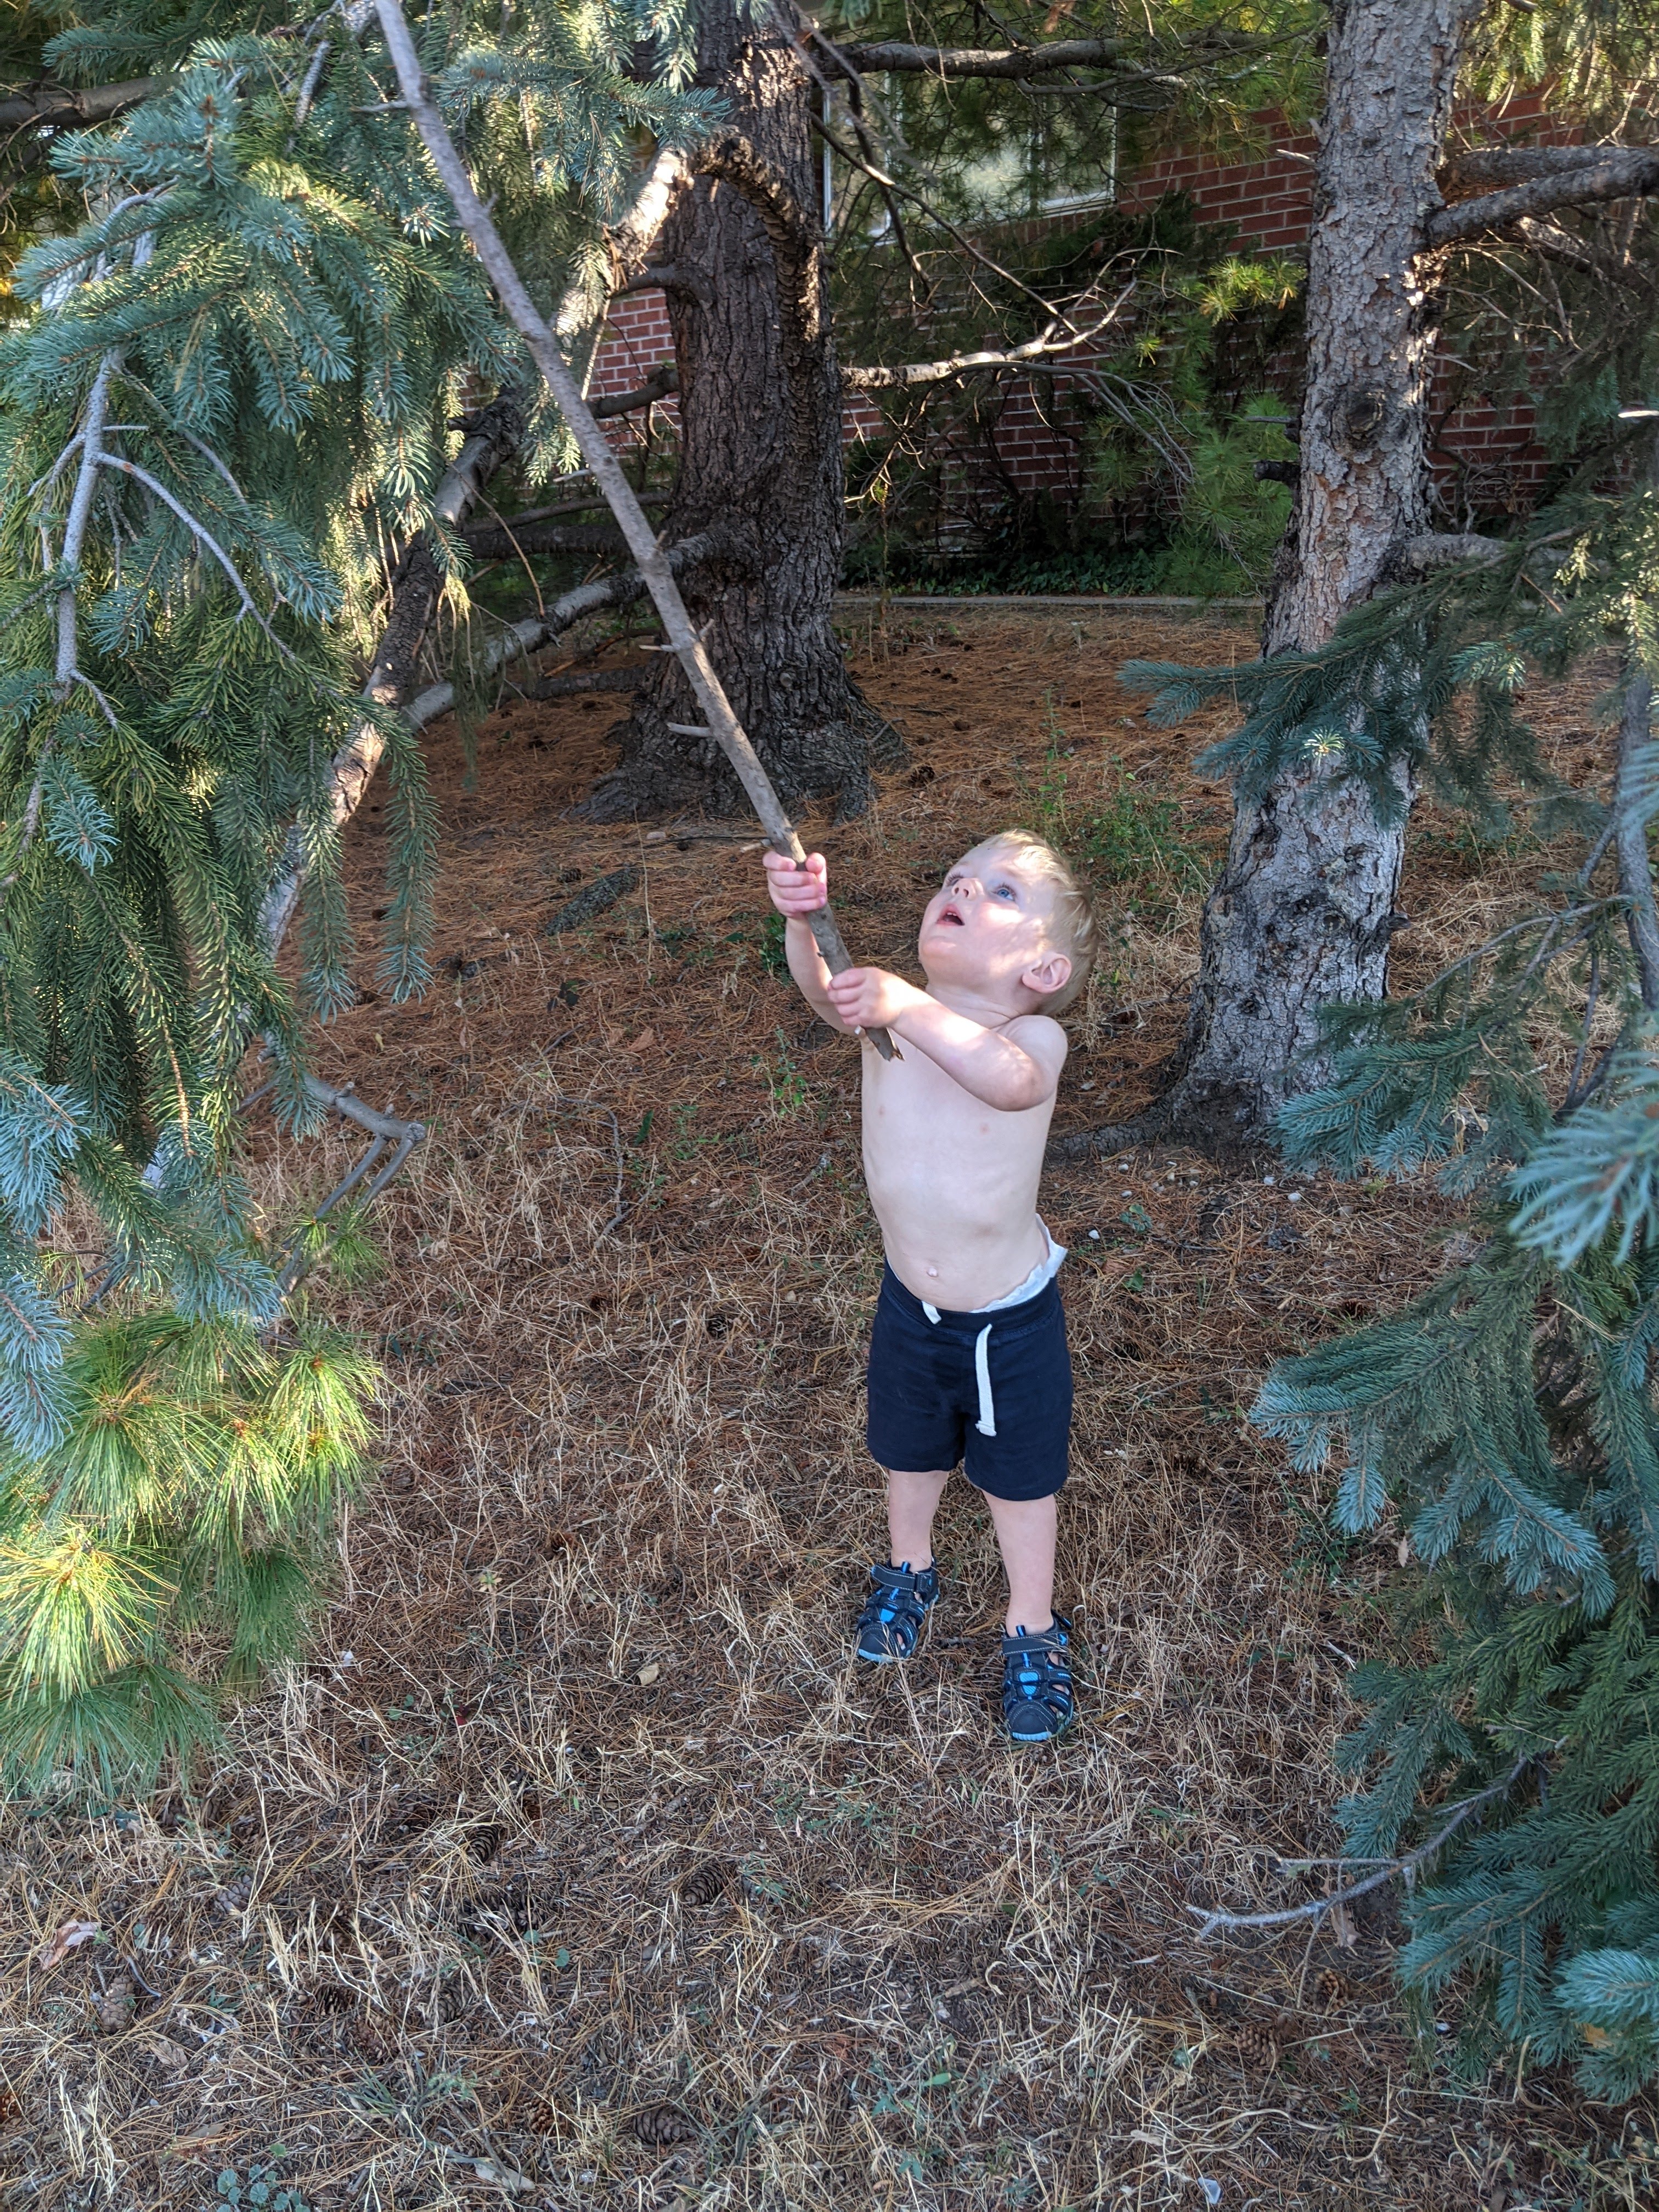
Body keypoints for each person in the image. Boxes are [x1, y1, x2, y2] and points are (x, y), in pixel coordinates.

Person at [762, 828, 1097, 1743]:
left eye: (1002, 892)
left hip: (1006, 1324)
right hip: (910, 1305)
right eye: (956, 878)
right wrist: (801, 920)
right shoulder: (891, 1022)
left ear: (1043, 970)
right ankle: (909, 1567)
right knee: (907, 1455)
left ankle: (1032, 1624)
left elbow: (1011, 1085)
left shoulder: (1030, 1035)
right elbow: (824, 992)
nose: (964, 888)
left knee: (1018, 1481)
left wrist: (904, 1005)